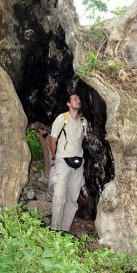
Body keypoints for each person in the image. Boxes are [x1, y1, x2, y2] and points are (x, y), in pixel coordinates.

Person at [49, 94, 88, 232]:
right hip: (63, 162)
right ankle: (54, 228)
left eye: (79, 99)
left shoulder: (84, 122)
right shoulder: (62, 118)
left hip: (78, 163)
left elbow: (81, 140)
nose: (78, 101)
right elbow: (52, 139)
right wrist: (56, 157)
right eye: (75, 99)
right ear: (68, 103)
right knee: (59, 196)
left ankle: (64, 230)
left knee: (72, 198)